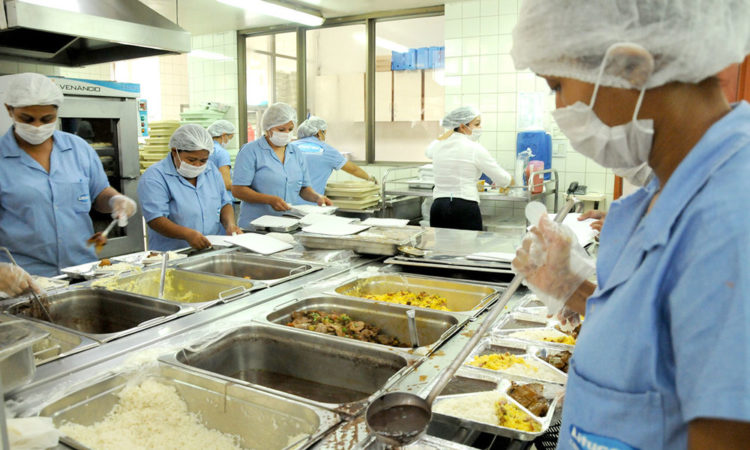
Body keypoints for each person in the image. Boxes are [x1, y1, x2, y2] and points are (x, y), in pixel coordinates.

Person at [510, 1, 750, 448]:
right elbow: (658, 353)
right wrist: (572, 289)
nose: (559, 110)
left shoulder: (733, 213)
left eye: (557, 85)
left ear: (631, 67)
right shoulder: (665, 192)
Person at [0, 73, 137, 277]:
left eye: (47, 119)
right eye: (27, 119)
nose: (37, 127)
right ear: (9, 110)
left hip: (82, 272)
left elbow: (98, 194)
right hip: (25, 279)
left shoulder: (79, 149)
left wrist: (115, 200)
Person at [138, 124, 241, 251]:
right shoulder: (155, 177)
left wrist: (230, 225)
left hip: (212, 249)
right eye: (191, 160)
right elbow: (155, 219)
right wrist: (187, 234)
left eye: (203, 160)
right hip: (174, 254)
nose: (197, 165)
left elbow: (224, 202)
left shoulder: (211, 170)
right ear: (175, 151)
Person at [231, 102, 332, 227]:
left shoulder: (296, 153)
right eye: (281, 129)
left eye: (290, 129)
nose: (286, 133)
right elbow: (238, 190)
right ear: (268, 128)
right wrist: (269, 200)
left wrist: (317, 197)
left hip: (287, 224)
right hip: (255, 226)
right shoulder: (250, 151)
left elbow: (304, 189)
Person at [427, 106, 512, 231]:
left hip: (439, 207)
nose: (480, 128)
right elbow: (502, 179)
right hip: (463, 207)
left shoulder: (438, 146)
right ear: (462, 126)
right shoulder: (474, 149)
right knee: (468, 249)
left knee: (442, 249)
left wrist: (447, 134)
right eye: (477, 124)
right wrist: (512, 181)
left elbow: (428, 152)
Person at [289, 116, 376, 203]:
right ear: (319, 133)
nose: (324, 137)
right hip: (309, 205)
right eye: (324, 133)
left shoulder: (289, 147)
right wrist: (370, 178)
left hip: (284, 204)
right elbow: (353, 169)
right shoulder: (326, 150)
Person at [206, 119, 234, 190]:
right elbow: (226, 184)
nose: (229, 141)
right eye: (230, 138)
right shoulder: (221, 153)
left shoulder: (205, 148)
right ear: (224, 135)